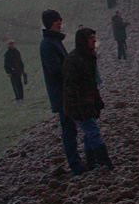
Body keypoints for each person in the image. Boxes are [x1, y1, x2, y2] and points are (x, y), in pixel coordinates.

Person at [39, 9, 88, 175]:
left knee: (73, 127)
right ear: (49, 24)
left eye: (60, 19)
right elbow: (55, 70)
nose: (59, 22)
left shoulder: (54, 41)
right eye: (55, 20)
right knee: (69, 129)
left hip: (67, 92)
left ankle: (80, 161)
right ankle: (75, 164)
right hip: (62, 94)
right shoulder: (47, 44)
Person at [62, 27, 114, 171]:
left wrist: (97, 100)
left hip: (88, 102)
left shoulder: (89, 56)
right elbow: (70, 87)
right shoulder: (73, 60)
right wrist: (77, 106)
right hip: (78, 104)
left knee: (89, 133)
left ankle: (91, 163)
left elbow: (92, 82)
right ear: (83, 41)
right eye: (91, 38)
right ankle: (104, 162)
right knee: (93, 131)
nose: (94, 41)